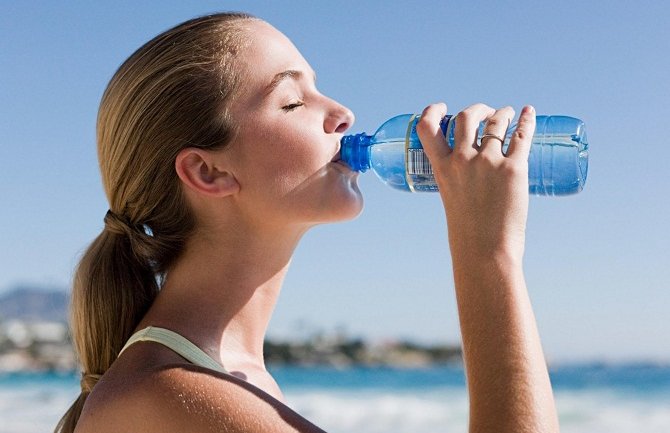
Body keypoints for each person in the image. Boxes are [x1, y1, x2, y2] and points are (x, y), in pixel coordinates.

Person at [55, 12, 560, 433]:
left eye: (319, 88)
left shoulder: (233, 378)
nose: (342, 113)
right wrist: (489, 252)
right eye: (292, 101)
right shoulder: (168, 393)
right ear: (208, 171)